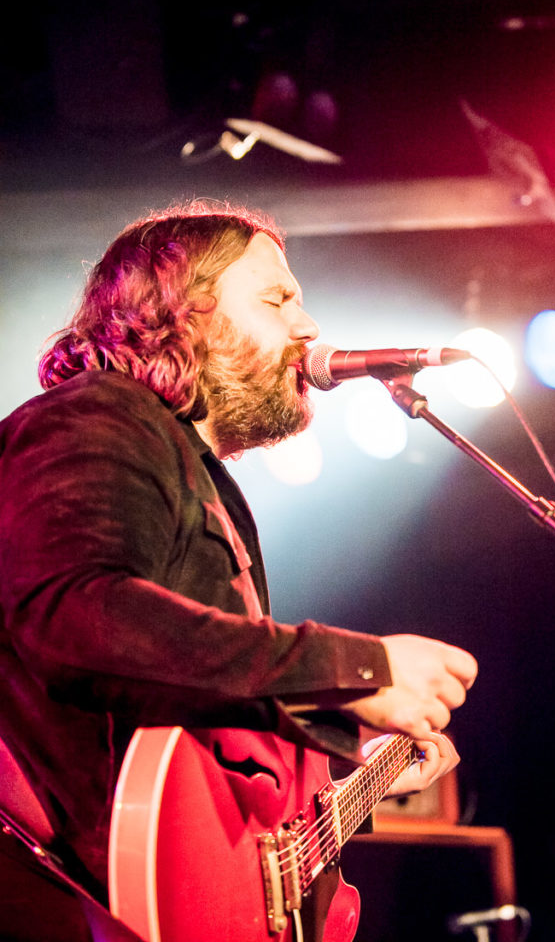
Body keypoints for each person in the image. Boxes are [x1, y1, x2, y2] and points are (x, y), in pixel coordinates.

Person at [0, 201, 477, 938]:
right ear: (180, 313)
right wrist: (356, 670)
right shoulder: (97, 416)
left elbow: (194, 737)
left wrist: (352, 779)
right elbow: (78, 621)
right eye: (277, 299)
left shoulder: (195, 474)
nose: (308, 326)